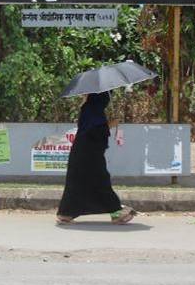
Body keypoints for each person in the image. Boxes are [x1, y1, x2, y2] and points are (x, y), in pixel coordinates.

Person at [56, 91, 136, 225]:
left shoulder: (91, 109)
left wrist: (108, 124)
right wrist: (111, 124)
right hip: (88, 154)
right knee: (100, 181)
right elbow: (95, 132)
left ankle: (66, 213)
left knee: (79, 183)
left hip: (85, 153)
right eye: (105, 97)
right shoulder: (92, 110)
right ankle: (116, 212)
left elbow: (96, 130)